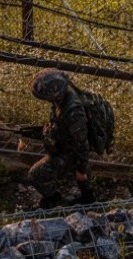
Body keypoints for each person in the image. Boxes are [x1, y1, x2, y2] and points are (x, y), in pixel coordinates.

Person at [23, 68, 96, 209]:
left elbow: (82, 144)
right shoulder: (65, 96)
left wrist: (81, 168)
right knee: (81, 177)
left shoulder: (74, 112)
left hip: (71, 151)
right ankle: (88, 197)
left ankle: (53, 200)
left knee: (35, 174)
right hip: (67, 144)